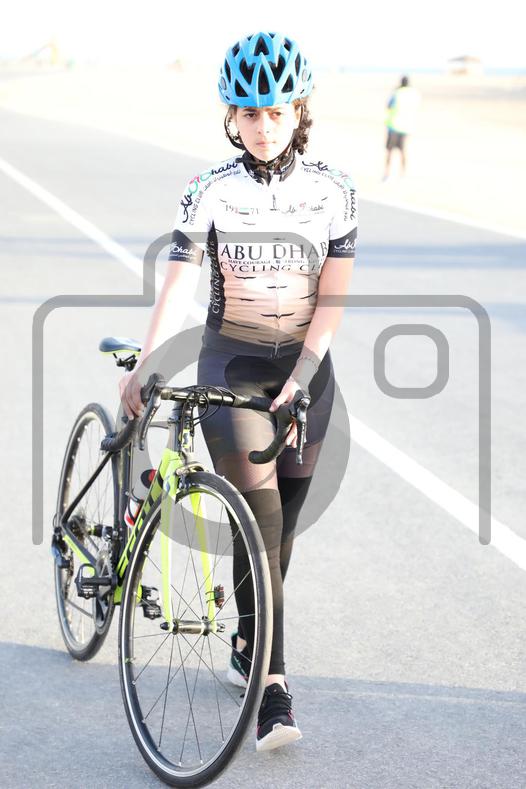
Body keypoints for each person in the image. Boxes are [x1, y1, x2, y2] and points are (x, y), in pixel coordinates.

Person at [119, 30, 357, 753]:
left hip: (308, 373)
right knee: (261, 526)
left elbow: (331, 300)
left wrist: (303, 375)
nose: (262, 126)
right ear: (231, 115)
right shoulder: (210, 190)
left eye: (276, 111)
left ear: (299, 111)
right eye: (249, 113)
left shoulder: (334, 191)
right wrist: (148, 365)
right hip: (232, 370)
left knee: (280, 540)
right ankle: (273, 691)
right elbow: (178, 286)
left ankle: (247, 639)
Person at [383, 75, 420, 180]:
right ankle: (403, 173)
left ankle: (387, 173)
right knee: (403, 150)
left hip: (394, 125)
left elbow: (389, 106)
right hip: (407, 126)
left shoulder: (397, 93)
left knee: (390, 151)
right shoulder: (414, 94)